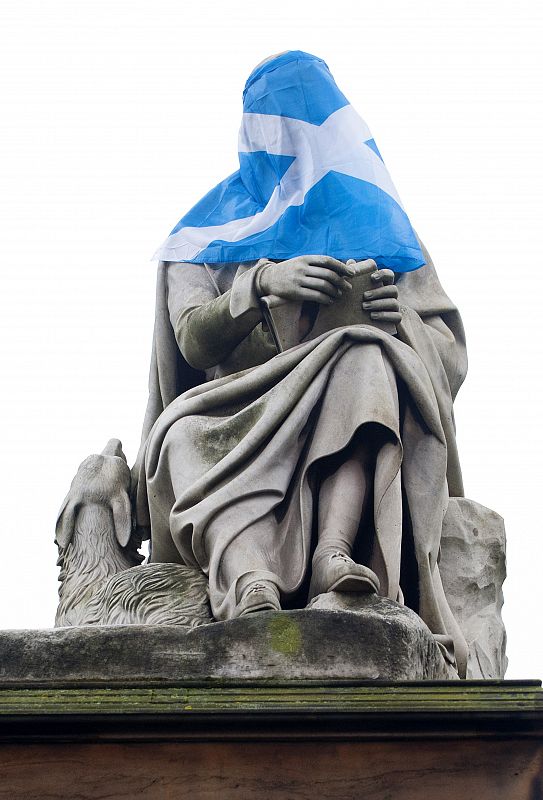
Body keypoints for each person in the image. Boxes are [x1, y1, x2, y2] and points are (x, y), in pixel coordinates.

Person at [134, 51, 468, 675]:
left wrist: (398, 324)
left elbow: (447, 350)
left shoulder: (377, 221)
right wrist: (259, 284)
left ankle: (335, 555)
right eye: (274, 121)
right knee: (181, 437)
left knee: (367, 357)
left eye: (304, 119)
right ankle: (247, 579)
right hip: (231, 404)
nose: (289, 135)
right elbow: (191, 341)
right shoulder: (208, 232)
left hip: (337, 384)